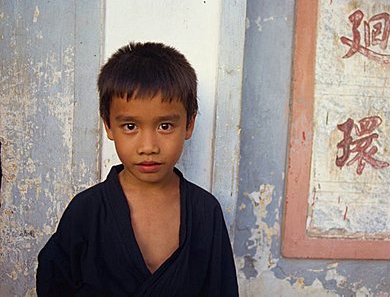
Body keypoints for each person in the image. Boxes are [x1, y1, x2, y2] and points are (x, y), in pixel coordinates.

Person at [36, 42, 239, 296]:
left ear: (189, 124)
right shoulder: (86, 211)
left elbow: (221, 289)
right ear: (109, 126)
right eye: (130, 126)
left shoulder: (205, 212)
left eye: (165, 126)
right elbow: (54, 284)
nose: (148, 147)